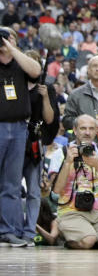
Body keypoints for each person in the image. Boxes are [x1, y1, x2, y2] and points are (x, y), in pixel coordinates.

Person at [51, 114, 98, 249]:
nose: (87, 132)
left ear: (96, 131)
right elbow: (56, 190)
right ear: (75, 130)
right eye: (83, 128)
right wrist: (67, 163)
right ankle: (73, 235)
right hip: (71, 210)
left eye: (91, 128)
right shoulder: (61, 152)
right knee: (88, 240)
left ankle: (90, 235)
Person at [0, 34, 42, 247]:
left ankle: (10, 230)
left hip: (18, 128)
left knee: (12, 184)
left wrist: (12, 49)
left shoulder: (21, 64)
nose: (4, 42)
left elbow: (36, 71)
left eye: (9, 39)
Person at [20, 63, 59, 246]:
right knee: (11, 189)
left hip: (35, 141)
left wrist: (44, 97)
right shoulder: (15, 82)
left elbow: (49, 119)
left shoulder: (45, 89)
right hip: (15, 139)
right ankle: (11, 228)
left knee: (34, 191)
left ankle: (29, 231)